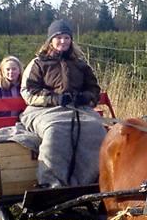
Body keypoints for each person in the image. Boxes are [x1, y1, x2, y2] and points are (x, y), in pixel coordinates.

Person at [20, 19, 105, 187]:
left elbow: (93, 88)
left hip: (77, 109)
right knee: (55, 131)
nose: (63, 41)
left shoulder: (80, 64)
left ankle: (87, 181)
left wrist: (85, 97)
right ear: (50, 40)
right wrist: (54, 98)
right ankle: (51, 183)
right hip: (43, 110)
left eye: (67, 37)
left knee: (96, 129)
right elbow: (28, 91)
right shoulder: (38, 63)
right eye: (59, 37)